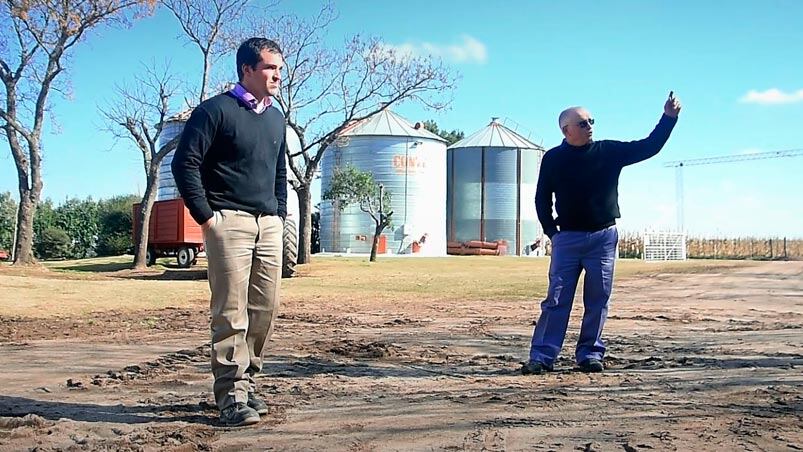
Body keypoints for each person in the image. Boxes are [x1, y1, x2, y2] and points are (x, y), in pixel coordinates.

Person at [172, 37, 287, 426]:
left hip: (268, 225)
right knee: (230, 313)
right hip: (228, 223)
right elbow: (184, 164)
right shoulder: (214, 111)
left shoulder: (276, 117)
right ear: (247, 70)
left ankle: (250, 384)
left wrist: (280, 216)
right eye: (271, 68)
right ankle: (231, 396)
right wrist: (207, 219)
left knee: (263, 310)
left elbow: (279, 173)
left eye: (279, 68)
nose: (277, 75)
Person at [523, 92, 682, 375]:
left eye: (591, 121)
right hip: (567, 239)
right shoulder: (553, 159)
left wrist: (669, 118)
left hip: (603, 238)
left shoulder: (608, 152)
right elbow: (541, 198)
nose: (590, 126)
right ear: (566, 130)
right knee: (556, 299)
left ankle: (589, 354)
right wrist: (552, 233)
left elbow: (650, 146)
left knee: (598, 299)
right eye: (583, 123)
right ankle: (542, 357)